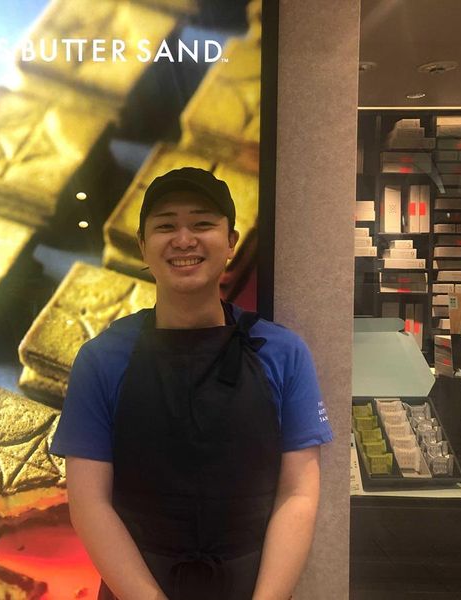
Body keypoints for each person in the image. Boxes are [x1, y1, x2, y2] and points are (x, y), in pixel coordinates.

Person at [50, 167, 333, 600]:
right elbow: (90, 504)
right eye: (166, 226)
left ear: (231, 242)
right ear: (143, 245)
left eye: (202, 224)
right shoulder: (101, 360)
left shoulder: (283, 353)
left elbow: (298, 494)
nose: (184, 240)